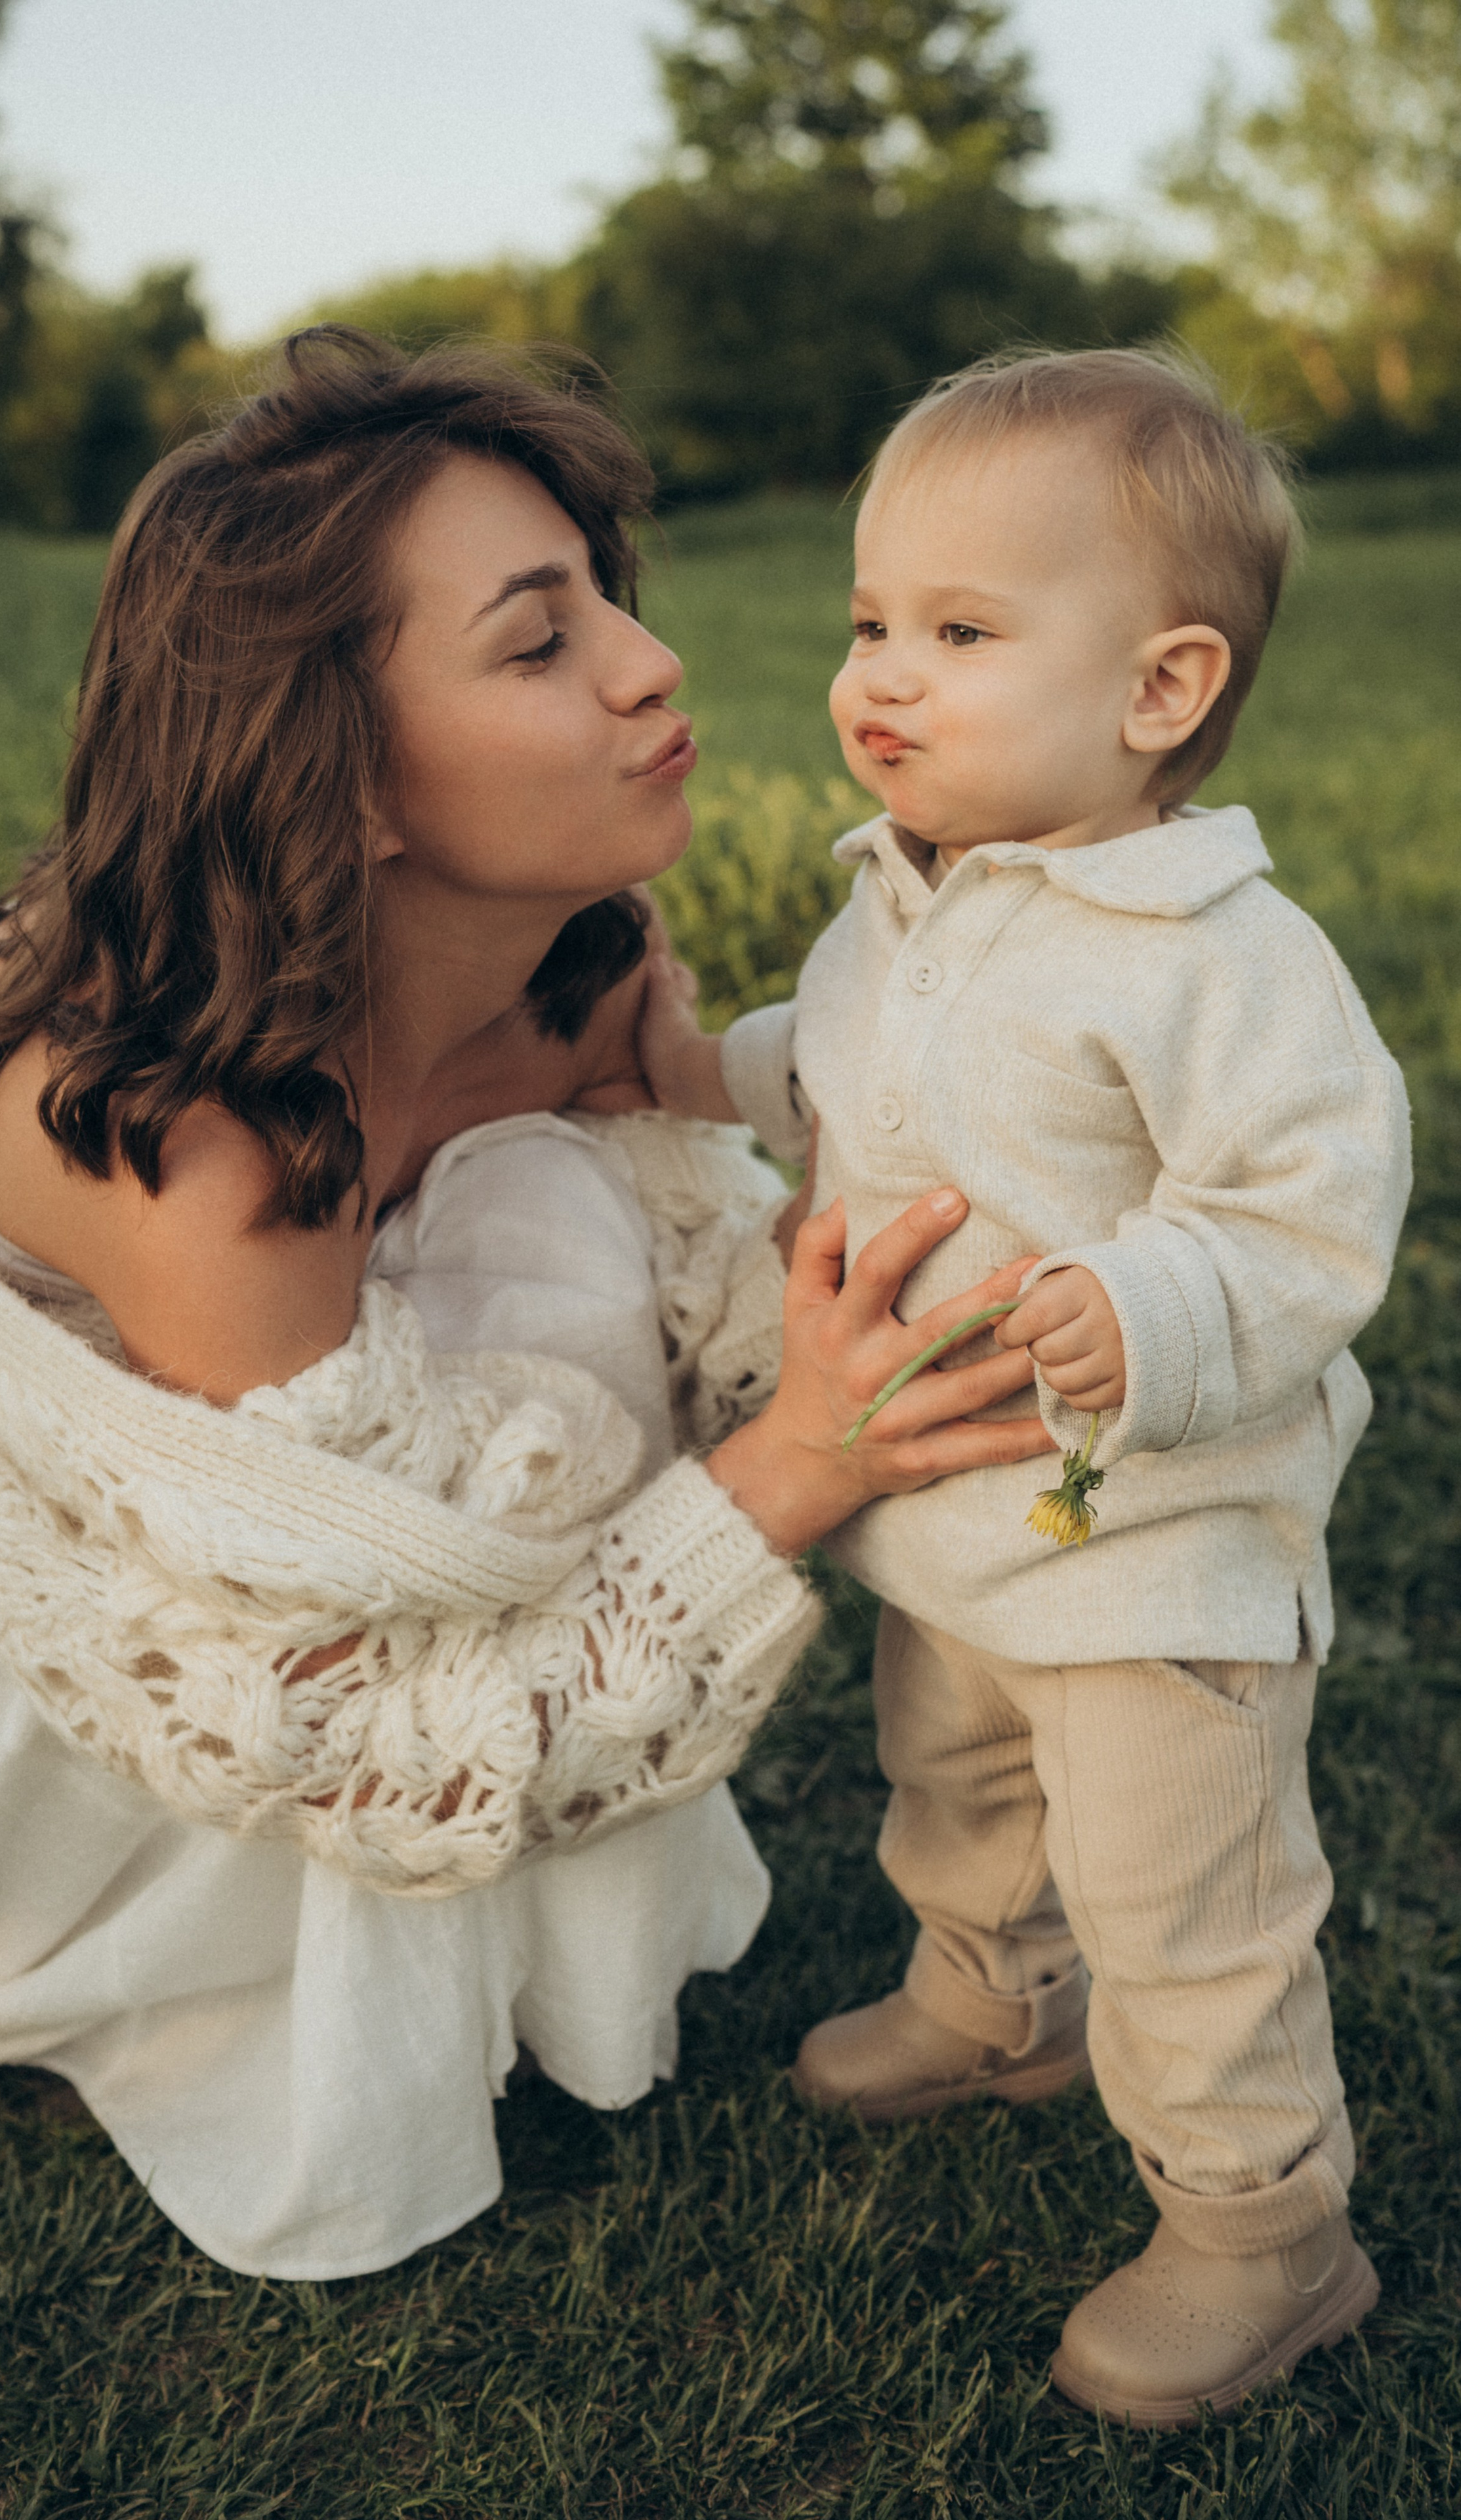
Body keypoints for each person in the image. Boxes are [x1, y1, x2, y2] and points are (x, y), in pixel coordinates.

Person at [0, 328, 1053, 2282]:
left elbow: (664, 1197)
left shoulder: (567, 939)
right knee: (394, 1577)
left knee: (559, 1250)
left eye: (605, 606)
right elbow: (361, 1732)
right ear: (342, 774)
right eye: (538, 645)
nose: (652, 667)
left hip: (242, 1284)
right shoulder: (208, 1152)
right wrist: (792, 1465)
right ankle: (91, 1954)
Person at [640, 347, 1411, 2423]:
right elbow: (845, 1060)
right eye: (871, 621)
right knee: (960, 1786)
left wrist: (1152, 1302)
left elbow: (1315, 1195)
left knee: (1190, 1901)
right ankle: (994, 1998)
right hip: (961, 1518)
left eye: (961, 633)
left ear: (1160, 692)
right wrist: (691, 1070)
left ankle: (1266, 2232)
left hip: (1155, 1550)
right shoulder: (909, 891)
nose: (881, 673)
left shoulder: (1215, 953)